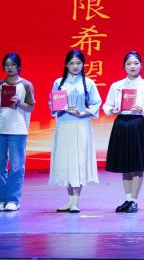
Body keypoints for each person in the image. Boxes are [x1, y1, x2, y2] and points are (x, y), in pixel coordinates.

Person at [102, 51, 144, 213]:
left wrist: (143, 109)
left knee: (136, 163)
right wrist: (112, 109)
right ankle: (127, 200)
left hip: (136, 124)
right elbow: (106, 106)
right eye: (129, 63)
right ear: (124, 66)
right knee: (125, 163)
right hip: (121, 123)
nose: (132, 66)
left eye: (136, 63)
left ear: (141, 65)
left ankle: (134, 200)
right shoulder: (116, 86)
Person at [48, 49, 102, 213]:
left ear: (83, 64)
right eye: (72, 63)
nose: (75, 66)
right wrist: (63, 108)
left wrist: (83, 112)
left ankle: (75, 202)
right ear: (66, 65)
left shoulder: (89, 83)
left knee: (78, 162)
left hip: (81, 126)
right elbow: (52, 103)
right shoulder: (59, 82)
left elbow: (96, 103)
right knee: (66, 161)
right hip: (64, 126)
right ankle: (69, 200)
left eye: (78, 63)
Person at [0, 52, 34, 211]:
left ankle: (13, 200)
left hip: (18, 129)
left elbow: (30, 107)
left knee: (16, 166)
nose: (9, 68)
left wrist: (19, 103)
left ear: (19, 67)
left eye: (13, 64)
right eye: (6, 65)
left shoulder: (26, 85)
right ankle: (0, 199)